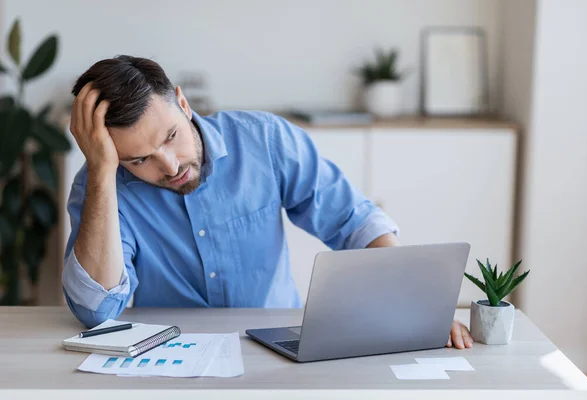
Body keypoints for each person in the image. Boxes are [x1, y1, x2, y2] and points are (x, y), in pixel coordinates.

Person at [63, 55, 473, 349]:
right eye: (139, 160)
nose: (170, 167)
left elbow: (353, 222)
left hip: (277, 349)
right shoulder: (102, 184)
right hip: (171, 357)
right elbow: (96, 311)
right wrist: (101, 172)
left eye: (171, 137)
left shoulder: (265, 139)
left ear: (183, 104)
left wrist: (417, 306)